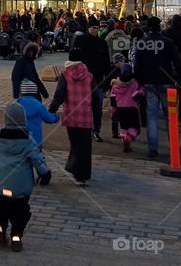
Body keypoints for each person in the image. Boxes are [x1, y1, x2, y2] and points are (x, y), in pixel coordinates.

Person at [0, 102, 51, 252]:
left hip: (4, 186)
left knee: (1, 208)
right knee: (21, 212)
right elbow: (37, 159)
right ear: (23, 120)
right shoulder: (28, 140)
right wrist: (45, 173)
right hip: (22, 189)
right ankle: (16, 237)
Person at [132, 16, 181, 157]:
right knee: (171, 116)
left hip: (149, 83)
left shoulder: (142, 43)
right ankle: (174, 144)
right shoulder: (167, 42)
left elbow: (137, 66)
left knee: (152, 116)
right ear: (160, 26)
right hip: (167, 82)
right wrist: (177, 77)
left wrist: (141, 81)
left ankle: (152, 148)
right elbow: (179, 63)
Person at [49, 48, 94, 186]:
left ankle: (75, 170)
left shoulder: (65, 75)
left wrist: (52, 109)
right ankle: (83, 174)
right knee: (85, 146)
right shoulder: (90, 76)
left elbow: (60, 94)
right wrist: (97, 117)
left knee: (75, 144)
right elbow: (96, 99)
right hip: (86, 115)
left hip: (71, 115)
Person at [69, 25, 111, 141]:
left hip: (98, 79)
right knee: (84, 106)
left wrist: (107, 80)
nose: (96, 30)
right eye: (94, 27)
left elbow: (106, 62)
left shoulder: (102, 42)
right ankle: (85, 129)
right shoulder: (81, 40)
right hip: (82, 80)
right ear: (88, 28)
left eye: (97, 28)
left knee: (97, 107)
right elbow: (73, 59)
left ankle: (96, 130)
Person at [110, 64, 144, 152]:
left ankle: (124, 142)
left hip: (120, 109)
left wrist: (113, 111)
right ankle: (128, 140)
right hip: (132, 108)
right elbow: (137, 96)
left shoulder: (115, 85)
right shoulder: (134, 83)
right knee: (135, 128)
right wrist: (142, 90)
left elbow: (113, 99)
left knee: (123, 127)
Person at [16, 81, 58, 149]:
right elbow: (49, 118)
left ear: (21, 92)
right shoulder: (38, 105)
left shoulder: (16, 105)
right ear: (35, 92)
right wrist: (56, 117)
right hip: (36, 140)